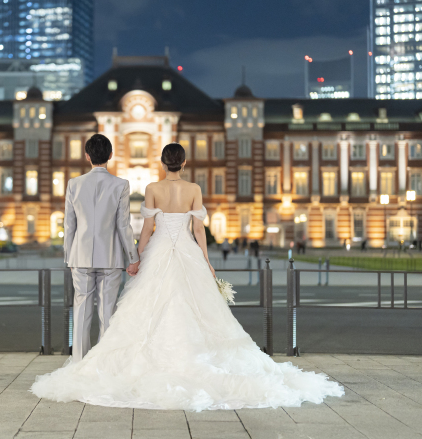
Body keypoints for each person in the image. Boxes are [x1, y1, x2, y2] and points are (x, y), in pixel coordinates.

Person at [31, 143, 343, 411]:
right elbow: (198, 230)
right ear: (183, 163)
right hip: (188, 253)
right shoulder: (194, 189)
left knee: (141, 309)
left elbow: (148, 230)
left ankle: (92, 362)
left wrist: (137, 258)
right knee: (198, 308)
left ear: (163, 163)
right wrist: (206, 262)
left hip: (158, 252)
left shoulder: (153, 189)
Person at [60, 134, 137, 362]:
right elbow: (123, 225)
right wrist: (132, 257)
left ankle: (78, 365)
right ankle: (103, 366)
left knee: (81, 312)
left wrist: (69, 256)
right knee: (108, 314)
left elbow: (69, 225)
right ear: (110, 156)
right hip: (110, 257)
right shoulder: (121, 185)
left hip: (80, 257)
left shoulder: (74, 184)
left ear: (87, 156)